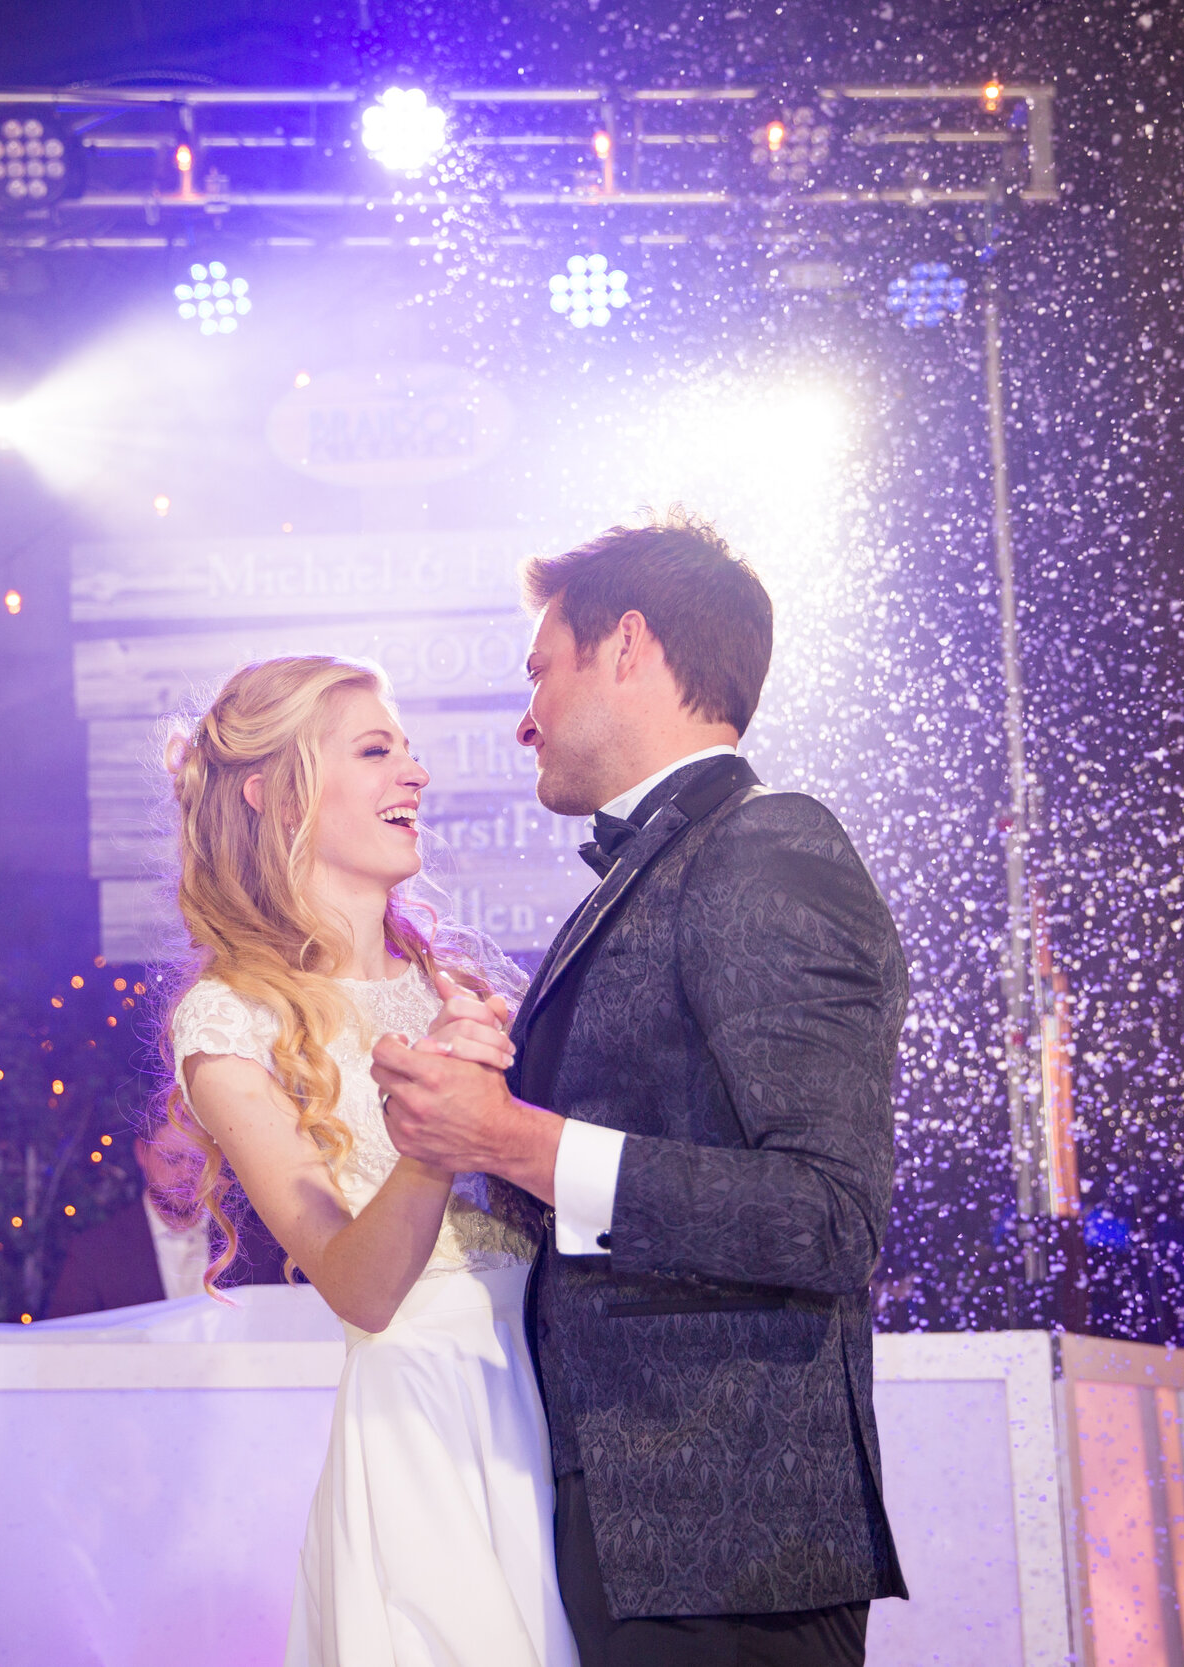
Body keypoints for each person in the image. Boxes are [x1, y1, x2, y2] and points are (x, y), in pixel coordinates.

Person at [372, 511, 911, 1667]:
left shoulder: (768, 846)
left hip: (723, 1535)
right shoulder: (667, 863)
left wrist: (515, 1137)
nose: (524, 719)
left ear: (627, 648)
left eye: (539, 671)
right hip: (625, 1521)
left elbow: (826, 1218)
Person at [159, 654, 575, 1667]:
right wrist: (438, 1131)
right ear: (273, 790)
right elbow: (358, 1286)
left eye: (411, 749)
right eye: (377, 747)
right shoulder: (229, 1024)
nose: (416, 773)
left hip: (557, 1407)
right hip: (423, 1432)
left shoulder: (463, 988)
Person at [42, 1110, 287, 1318]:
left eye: (199, 1160)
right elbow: (67, 1350)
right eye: (172, 1159)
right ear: (141, 1153)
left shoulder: (259, 1244)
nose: (186, 1174)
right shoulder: (94, 1254)